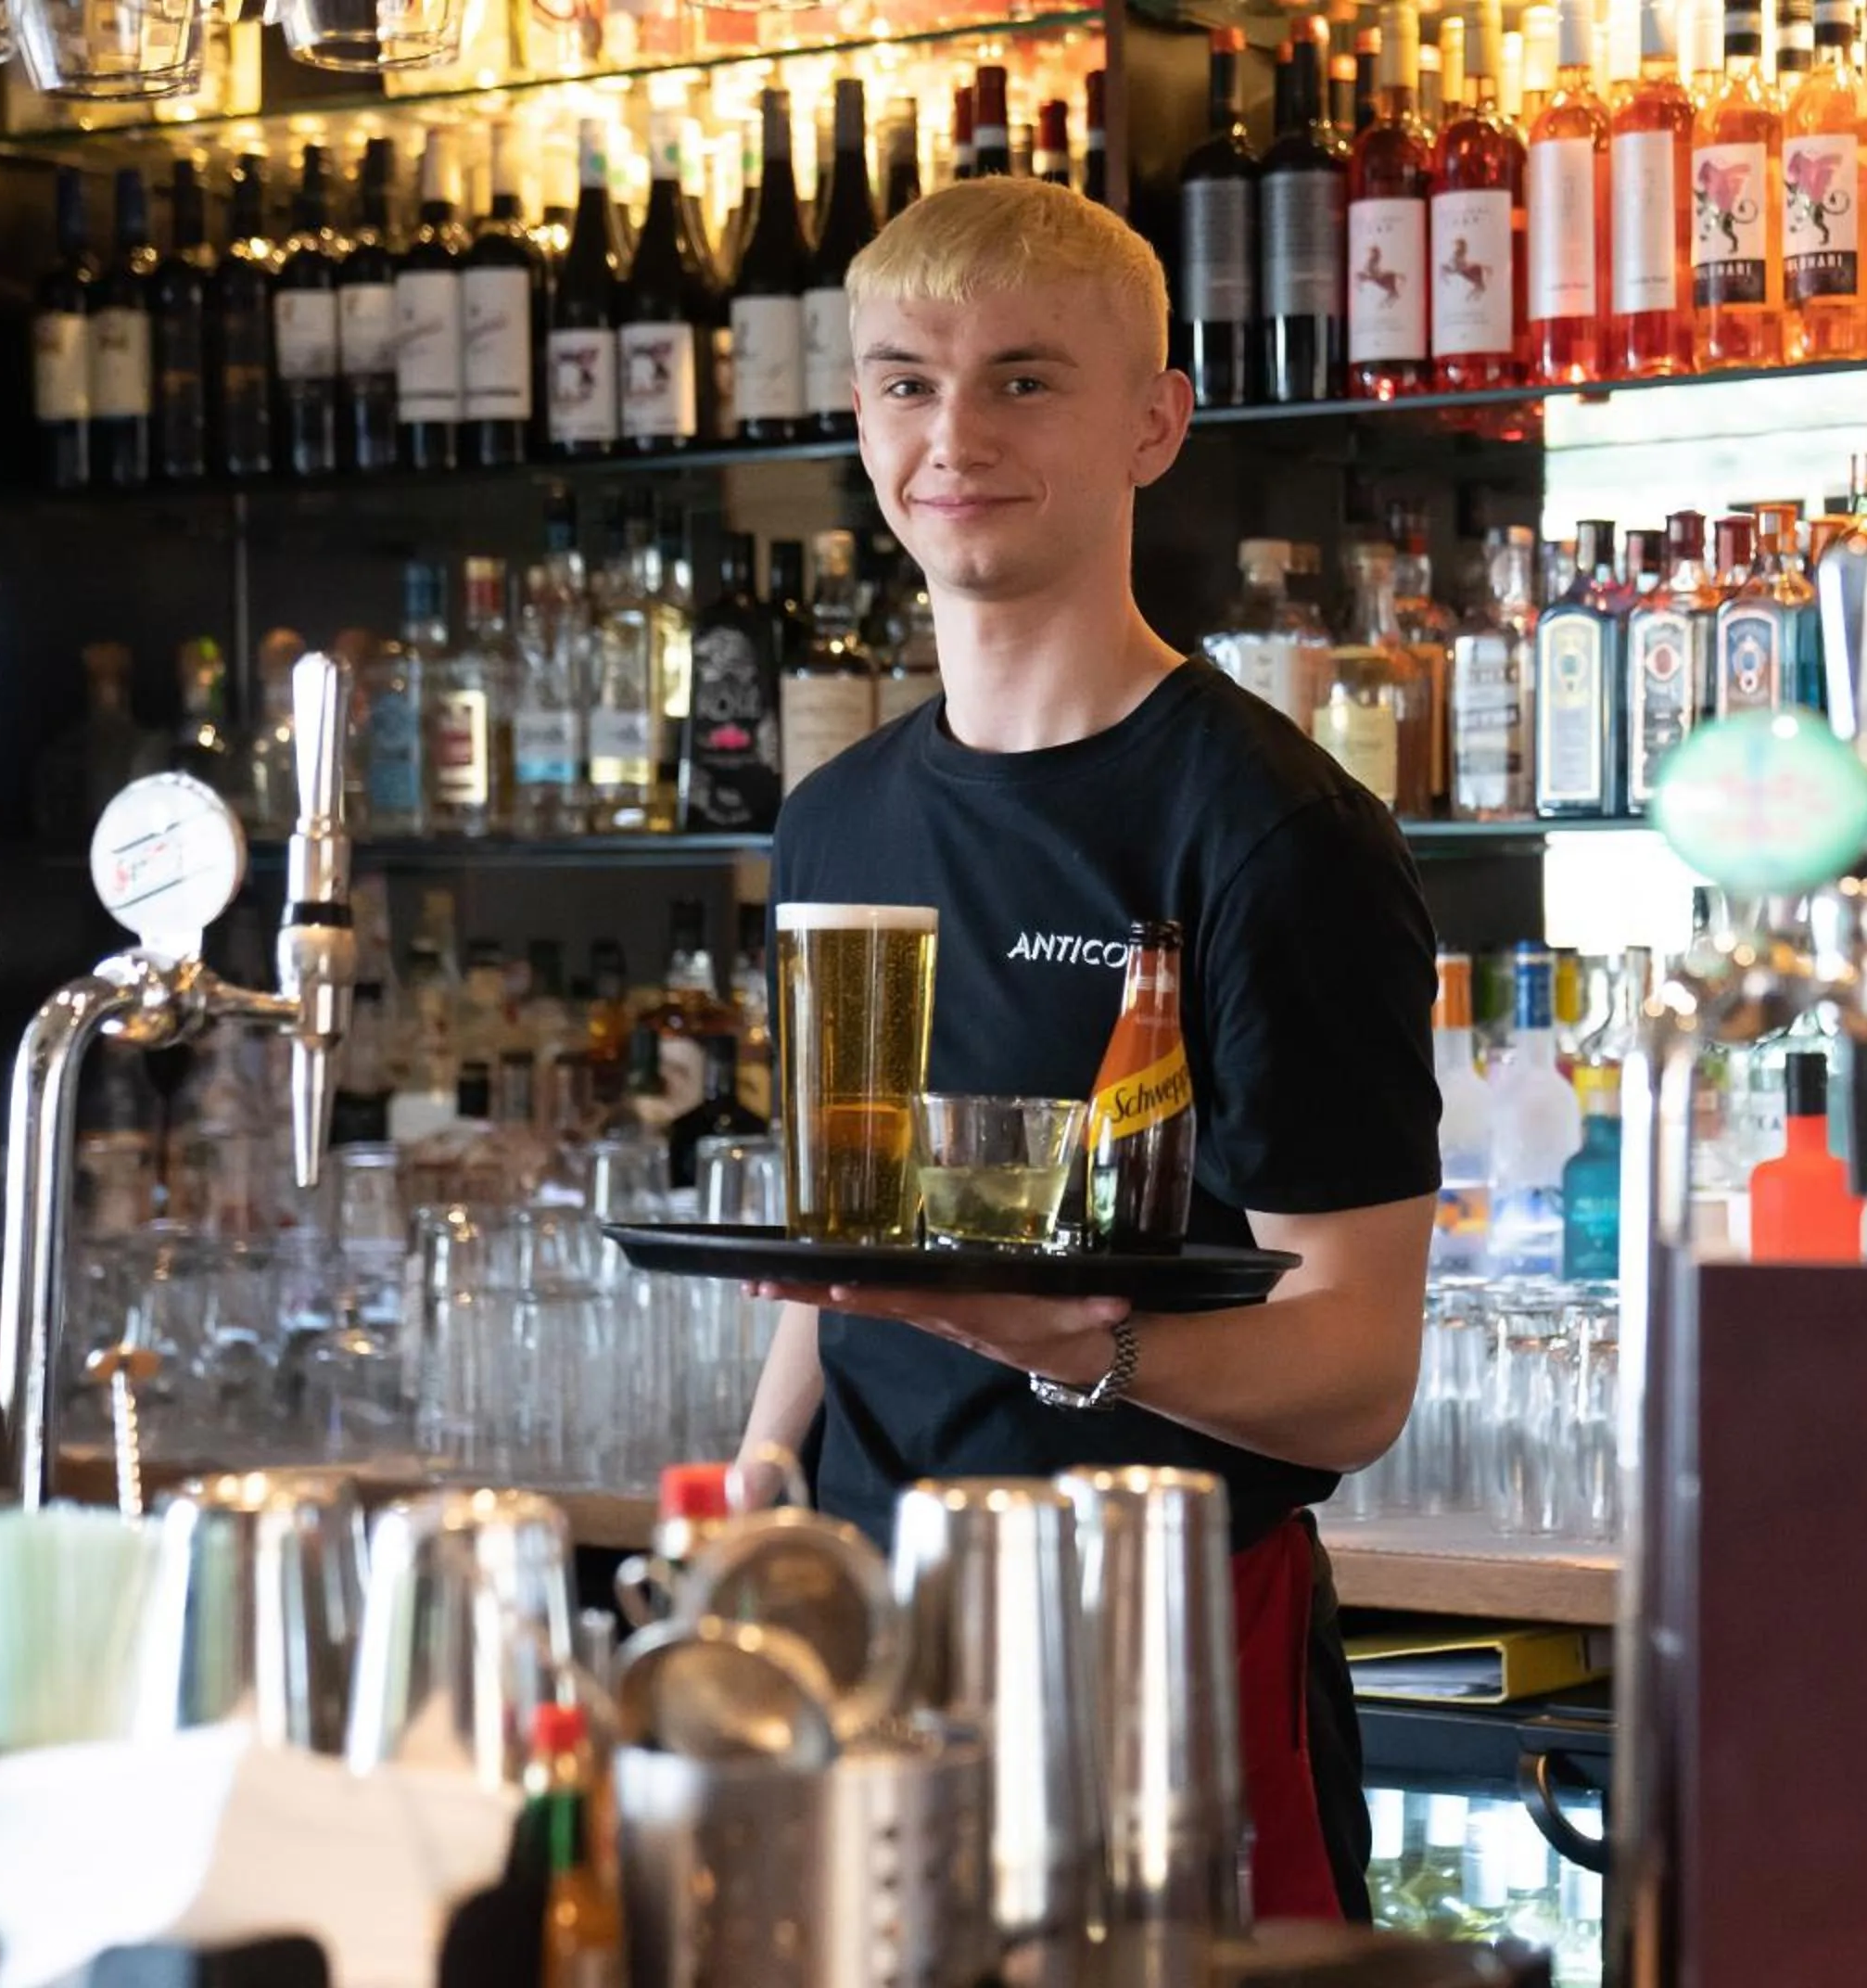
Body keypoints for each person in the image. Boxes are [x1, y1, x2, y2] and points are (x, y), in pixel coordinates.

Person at [741, 175, 1439, 1920]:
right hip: (873, 1631)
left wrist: (1082, 1345)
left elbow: (1357, 1368)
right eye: (907, 383)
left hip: (1167, 1646)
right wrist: (764, 1461)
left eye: (1024, 380)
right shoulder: (834, 818)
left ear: (1155, 425)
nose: (953, 436)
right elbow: (853, 1226)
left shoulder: (1279, 835)